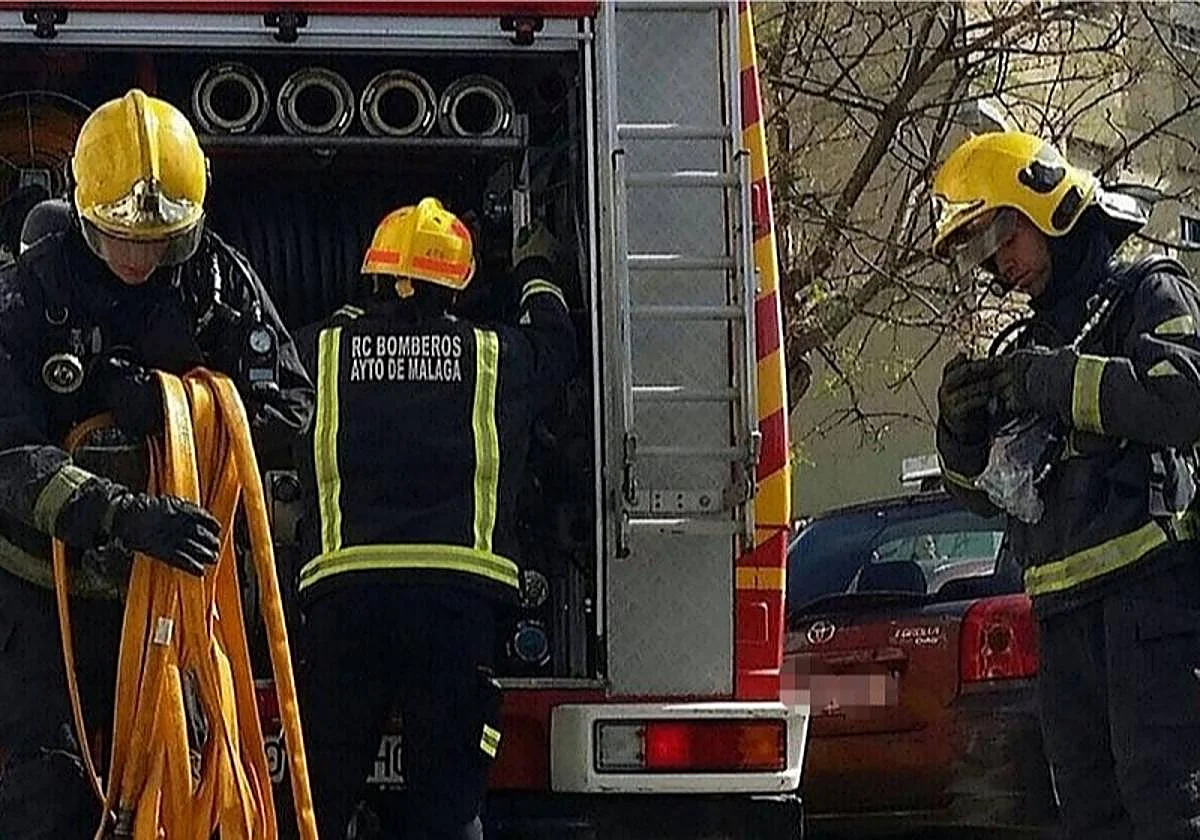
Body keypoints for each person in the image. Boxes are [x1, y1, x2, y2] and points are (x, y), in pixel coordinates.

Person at [0, 88, 313, 839]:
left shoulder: (214, 280)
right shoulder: (30, 295)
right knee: (50, 794)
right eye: (121, 239)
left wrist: (184, 403)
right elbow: (9, 456)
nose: (140, 257)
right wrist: (120, 513)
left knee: (186, 787)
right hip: (48, 595)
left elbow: (290, 406)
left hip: (179, 591)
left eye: (161, 240)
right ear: (83, 214)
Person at [932, 130, 1200, 839]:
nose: (999, 263)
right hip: (1061, 619)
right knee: (1089, 815)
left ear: (1046, 203)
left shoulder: (1148, 291)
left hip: (1152, 602)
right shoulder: (1026, 349)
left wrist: (1050, 380)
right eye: (986, 251)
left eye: (1003, 235)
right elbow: (987, 492)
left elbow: (1180, 402)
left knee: (1167, 805)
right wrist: (959, 433)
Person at [294, 197, 577, 840]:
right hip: (455, 607)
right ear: (461, 284)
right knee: (447, 810)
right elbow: (556, 346)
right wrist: (535, 270)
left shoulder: (323, 351)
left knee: (316, 805)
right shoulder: (492, 357)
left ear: (375, 276)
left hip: (346, 604)